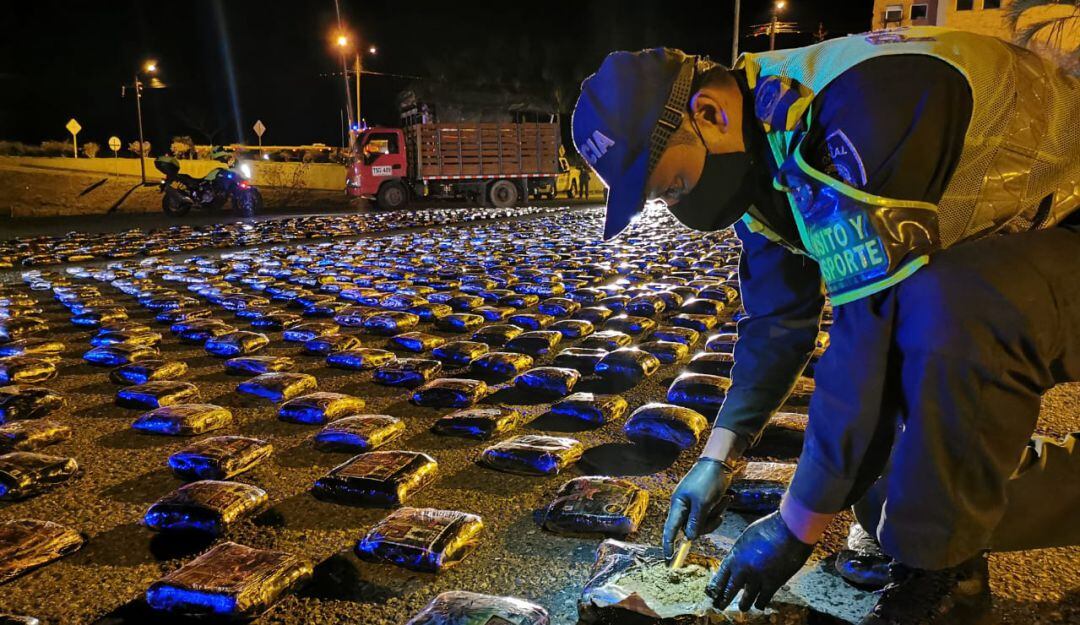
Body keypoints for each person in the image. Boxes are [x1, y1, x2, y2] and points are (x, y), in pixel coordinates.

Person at [571, 26, 1079, 625]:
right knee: (884, 486)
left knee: (943, 311)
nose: (678, 209)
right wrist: (719, 457)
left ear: (705, 112)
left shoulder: (860, 108)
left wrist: (795, 527)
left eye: (673, 187)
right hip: (1014, 248)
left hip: (1059, 234)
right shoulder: (762, 147)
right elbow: (778, 322)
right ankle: (950, 548)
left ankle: (939, 574)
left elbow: (868, 334)